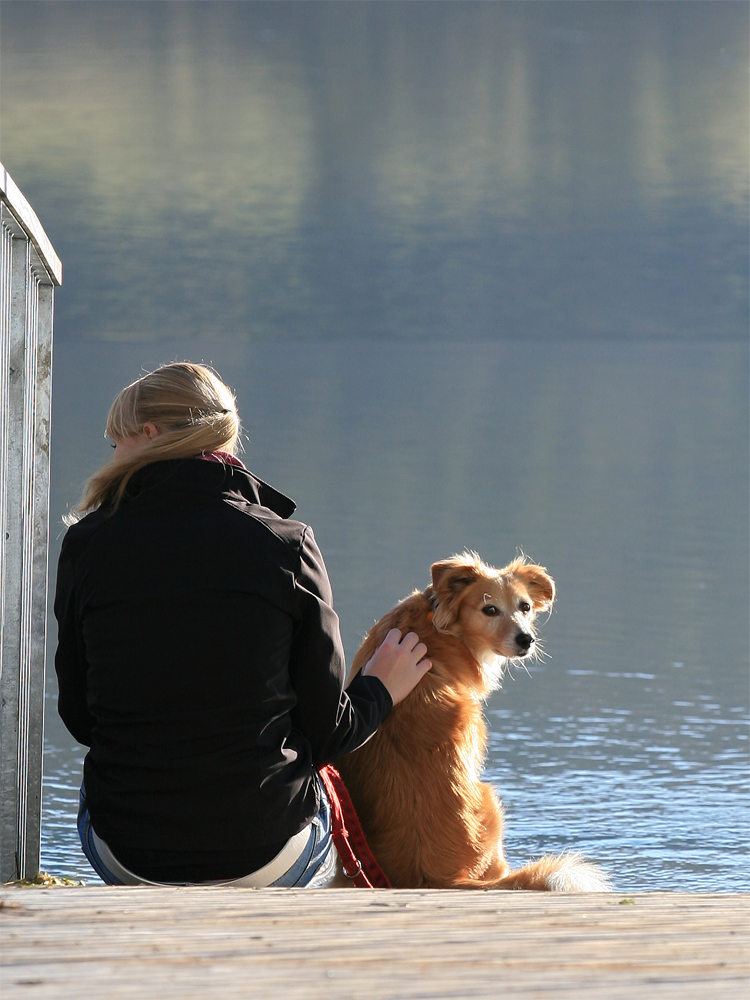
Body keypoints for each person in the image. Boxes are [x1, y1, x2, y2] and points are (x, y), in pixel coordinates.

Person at [54, 362, 431, 886]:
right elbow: (328, 733)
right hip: (265, 856)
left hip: (129, 854)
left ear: (149, 434)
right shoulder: (286, 543)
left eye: (115, 441)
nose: (113, 456)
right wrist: (380, 689)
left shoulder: (87, 544)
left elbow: (80, 718)